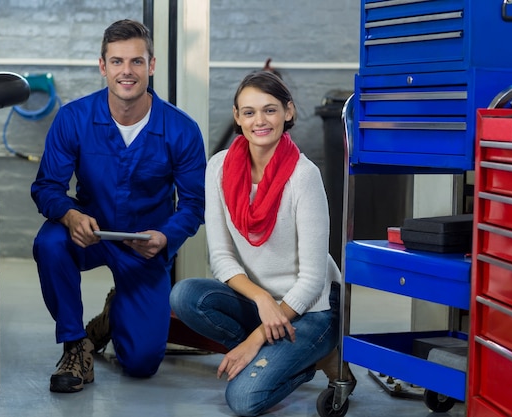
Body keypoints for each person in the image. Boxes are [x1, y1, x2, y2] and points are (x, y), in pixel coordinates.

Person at [31, 19, 206, 393]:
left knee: (141, 364)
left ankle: (114, 314)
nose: (126, 71)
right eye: (117, 62)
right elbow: (47, 187)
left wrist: (165, 236)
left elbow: (193, 205)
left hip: (144, 245)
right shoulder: (74, 120)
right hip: (89, 233)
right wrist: (70, 214)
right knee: (49, 243)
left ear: (151, 65)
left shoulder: (181, 130)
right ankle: (75, 345)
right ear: (102, 66)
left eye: (136, 62)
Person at [169, 71, 353, 416]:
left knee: (244, 399)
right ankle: (280, 352)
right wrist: (262, 298)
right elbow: (221, 257)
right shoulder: (219, 167)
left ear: (289, 112)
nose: (260, 121)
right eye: (249, 112)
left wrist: (254, 341)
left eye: (270, 110)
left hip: (313, 307)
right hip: (261, 301)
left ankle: (319, 353)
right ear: (237, 118)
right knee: (185, 295)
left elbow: (313, 279)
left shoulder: (304, 176)